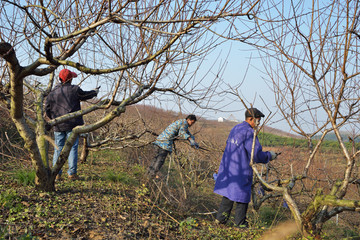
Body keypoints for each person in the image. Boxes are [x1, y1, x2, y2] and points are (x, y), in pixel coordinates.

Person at [213, 108, 278, 228]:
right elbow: (256, 155)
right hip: (240, 169)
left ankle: (220, 221)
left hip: (228, 167)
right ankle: (240, 224)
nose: (258, 124)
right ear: (250, 119)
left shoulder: (236, 128)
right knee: (242, 196)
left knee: (228, 194)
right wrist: (269, 155)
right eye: (257, 121)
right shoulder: (249, 132)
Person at [45, 69, 99, 180]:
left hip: (58, 125)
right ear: (70, 79)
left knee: (58, 149)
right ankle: (72, 174)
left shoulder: (52, 93)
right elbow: (85, 95)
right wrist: (95, 92)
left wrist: (54, 119)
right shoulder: (75, 90)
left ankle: (56, 174)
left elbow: (47, 109)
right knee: (73, 148)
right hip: (73, 125)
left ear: (60, 79)